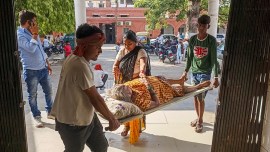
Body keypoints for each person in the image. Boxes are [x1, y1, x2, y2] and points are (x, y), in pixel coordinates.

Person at [50, 24, 120, 152]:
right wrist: (111, 118)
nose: (100, 51)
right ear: (85, 46)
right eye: (98, 47)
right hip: (72, 122)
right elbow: (95, 98)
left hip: (87, 116)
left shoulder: (76, 58)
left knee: (101, 146)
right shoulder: (79, 65)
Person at [107, 76, 210, 142]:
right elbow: (157, 103)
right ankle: (198, 86)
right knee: (179, 89)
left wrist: (149, 79)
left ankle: (179, 80)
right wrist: (150, 88)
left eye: (126, 86)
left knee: (164, 79)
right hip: (161, 92)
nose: (128, 87)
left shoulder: (127, 85)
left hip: (155, 80)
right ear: (127, 96)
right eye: (127, 90)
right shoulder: (139, 102)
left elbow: (139, 79)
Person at [179, 14, 219, 133]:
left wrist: (216, 77)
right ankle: (198, 117)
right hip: (194, 73)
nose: (201, 28)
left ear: (208, 26)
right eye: (200, 25)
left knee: (201, 97)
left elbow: (214, 60)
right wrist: (185, 72)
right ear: (197, 25)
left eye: (204, 26)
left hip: (205, 74)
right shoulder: (193, 40)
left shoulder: (211, 40)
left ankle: (200, 121)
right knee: (195, 97)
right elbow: (190, 58)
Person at [17, 10, 54, 128]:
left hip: (43, 68)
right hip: (31, 70)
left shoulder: (34, 32)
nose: (36, 23)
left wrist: (47, 62)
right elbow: (31, 49)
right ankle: (36, 116)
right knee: (33, 95)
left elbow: (40, 49)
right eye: (34, 21)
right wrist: (34, 35)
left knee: (49, 91)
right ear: (28, 22)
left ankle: (51, 112)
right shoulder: (19, 35)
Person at [112, 30, 151, 137]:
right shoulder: (122, 51)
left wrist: (142, 72)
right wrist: (115, 68)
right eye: (125, 44)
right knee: (125, 106)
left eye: (130, 44)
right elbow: (116, 63)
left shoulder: (140, 51)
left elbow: (143, 64)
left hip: (137, 83)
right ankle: (126, 126)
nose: (127, 46)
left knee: (137, 105)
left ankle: (137, 127)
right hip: (124, 82)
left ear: (136, 43)